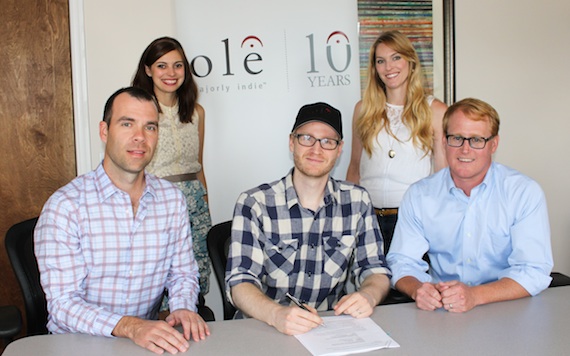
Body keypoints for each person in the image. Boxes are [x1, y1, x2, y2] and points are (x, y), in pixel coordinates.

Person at [35, 87, 210, 354]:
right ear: (104, 132)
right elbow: (63, 304)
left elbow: (182, 274)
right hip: (78, 344)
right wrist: (130, 326)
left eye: (150, 127)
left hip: (145, 344)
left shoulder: (172, 200)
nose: (140, 137)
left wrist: (183, 307)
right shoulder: (66, 207)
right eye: (127, 124)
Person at [226, 102, 391, 335]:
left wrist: (368, 295)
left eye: (327, 141)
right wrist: (276, 314)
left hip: (330, 327)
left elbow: (375, 269)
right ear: (292, 142)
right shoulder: (255, 203)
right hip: (264, 325)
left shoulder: (357, 201)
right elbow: (240, 281)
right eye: (307, 138)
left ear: (339, 149)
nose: (316, 149)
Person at [386, 98, 553, 313]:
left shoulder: (523, 193)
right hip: (444, 312)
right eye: (457, 138)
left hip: (509, 309)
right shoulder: (419, 195)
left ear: (494, 144)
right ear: (444, 142)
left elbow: (534, 269)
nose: (465, 149)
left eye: (476, 140)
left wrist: (474, 295)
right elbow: (401, 261)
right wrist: (418, 289)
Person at [346, 30, 448, 252]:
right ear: (374, 69)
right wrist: (350, 218)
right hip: (368, 219)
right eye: (381, 61)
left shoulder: (435, 110)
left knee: (406, 286)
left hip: (412, 220)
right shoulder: (362, 109)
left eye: (396, 57)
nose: (388, 67)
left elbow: (443, 176)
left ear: (410, 61)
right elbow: (354, 168)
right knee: (371, 285)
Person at [132, 37, 212, 299]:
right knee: (159, 276)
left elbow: (198, 166)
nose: (171, 73)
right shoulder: (141, 112)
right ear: (148, 70)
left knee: (196, 277)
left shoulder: (196, 111)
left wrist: (205, 202)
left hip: (194, 207)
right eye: (162, 65)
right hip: (156, 201)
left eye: (177, 66)